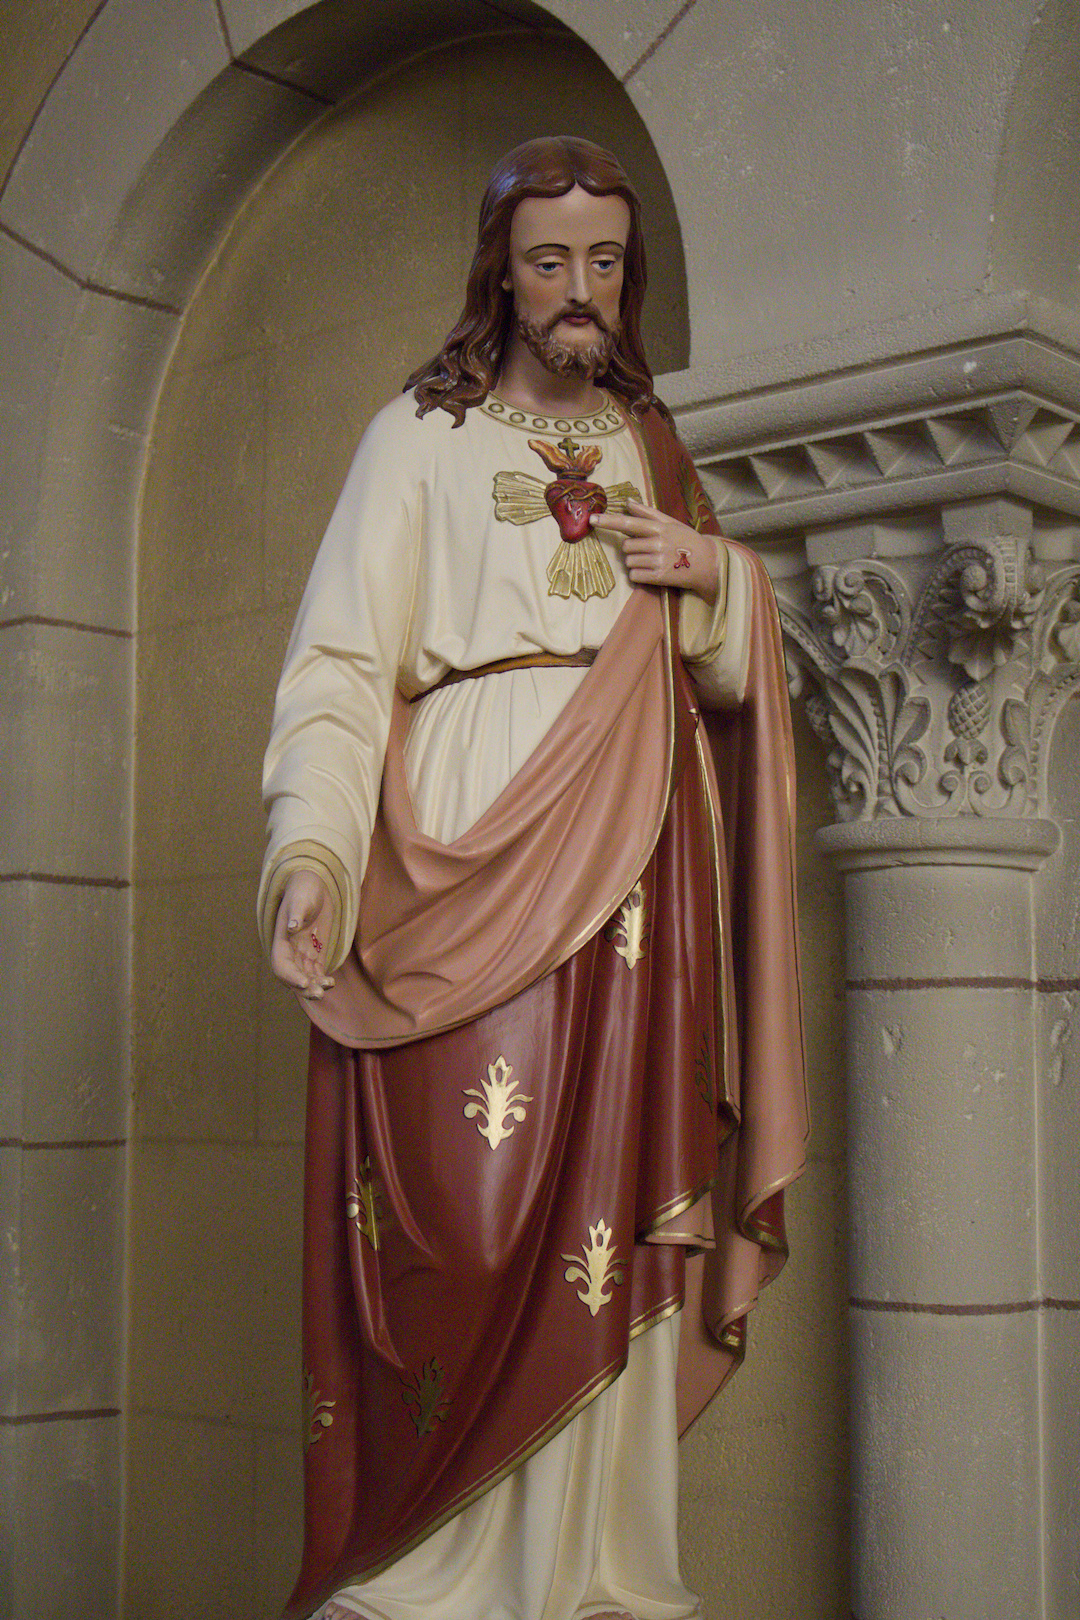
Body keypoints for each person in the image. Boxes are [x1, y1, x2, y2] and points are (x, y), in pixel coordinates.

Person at [259, 136, 807, 1620]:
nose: (578, 289)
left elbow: (736, 672)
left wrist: (714, 584)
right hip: (459, 857)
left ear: (629, 277)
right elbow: (339, 663)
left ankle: (595, 1573)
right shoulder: (417, 439)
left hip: (632, 881)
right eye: (550, 258)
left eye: (604, 261)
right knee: (469, 1213)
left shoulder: (650, 444)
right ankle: (436, 1577)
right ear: (499, 271)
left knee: (608, 1217)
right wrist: (311, 851)